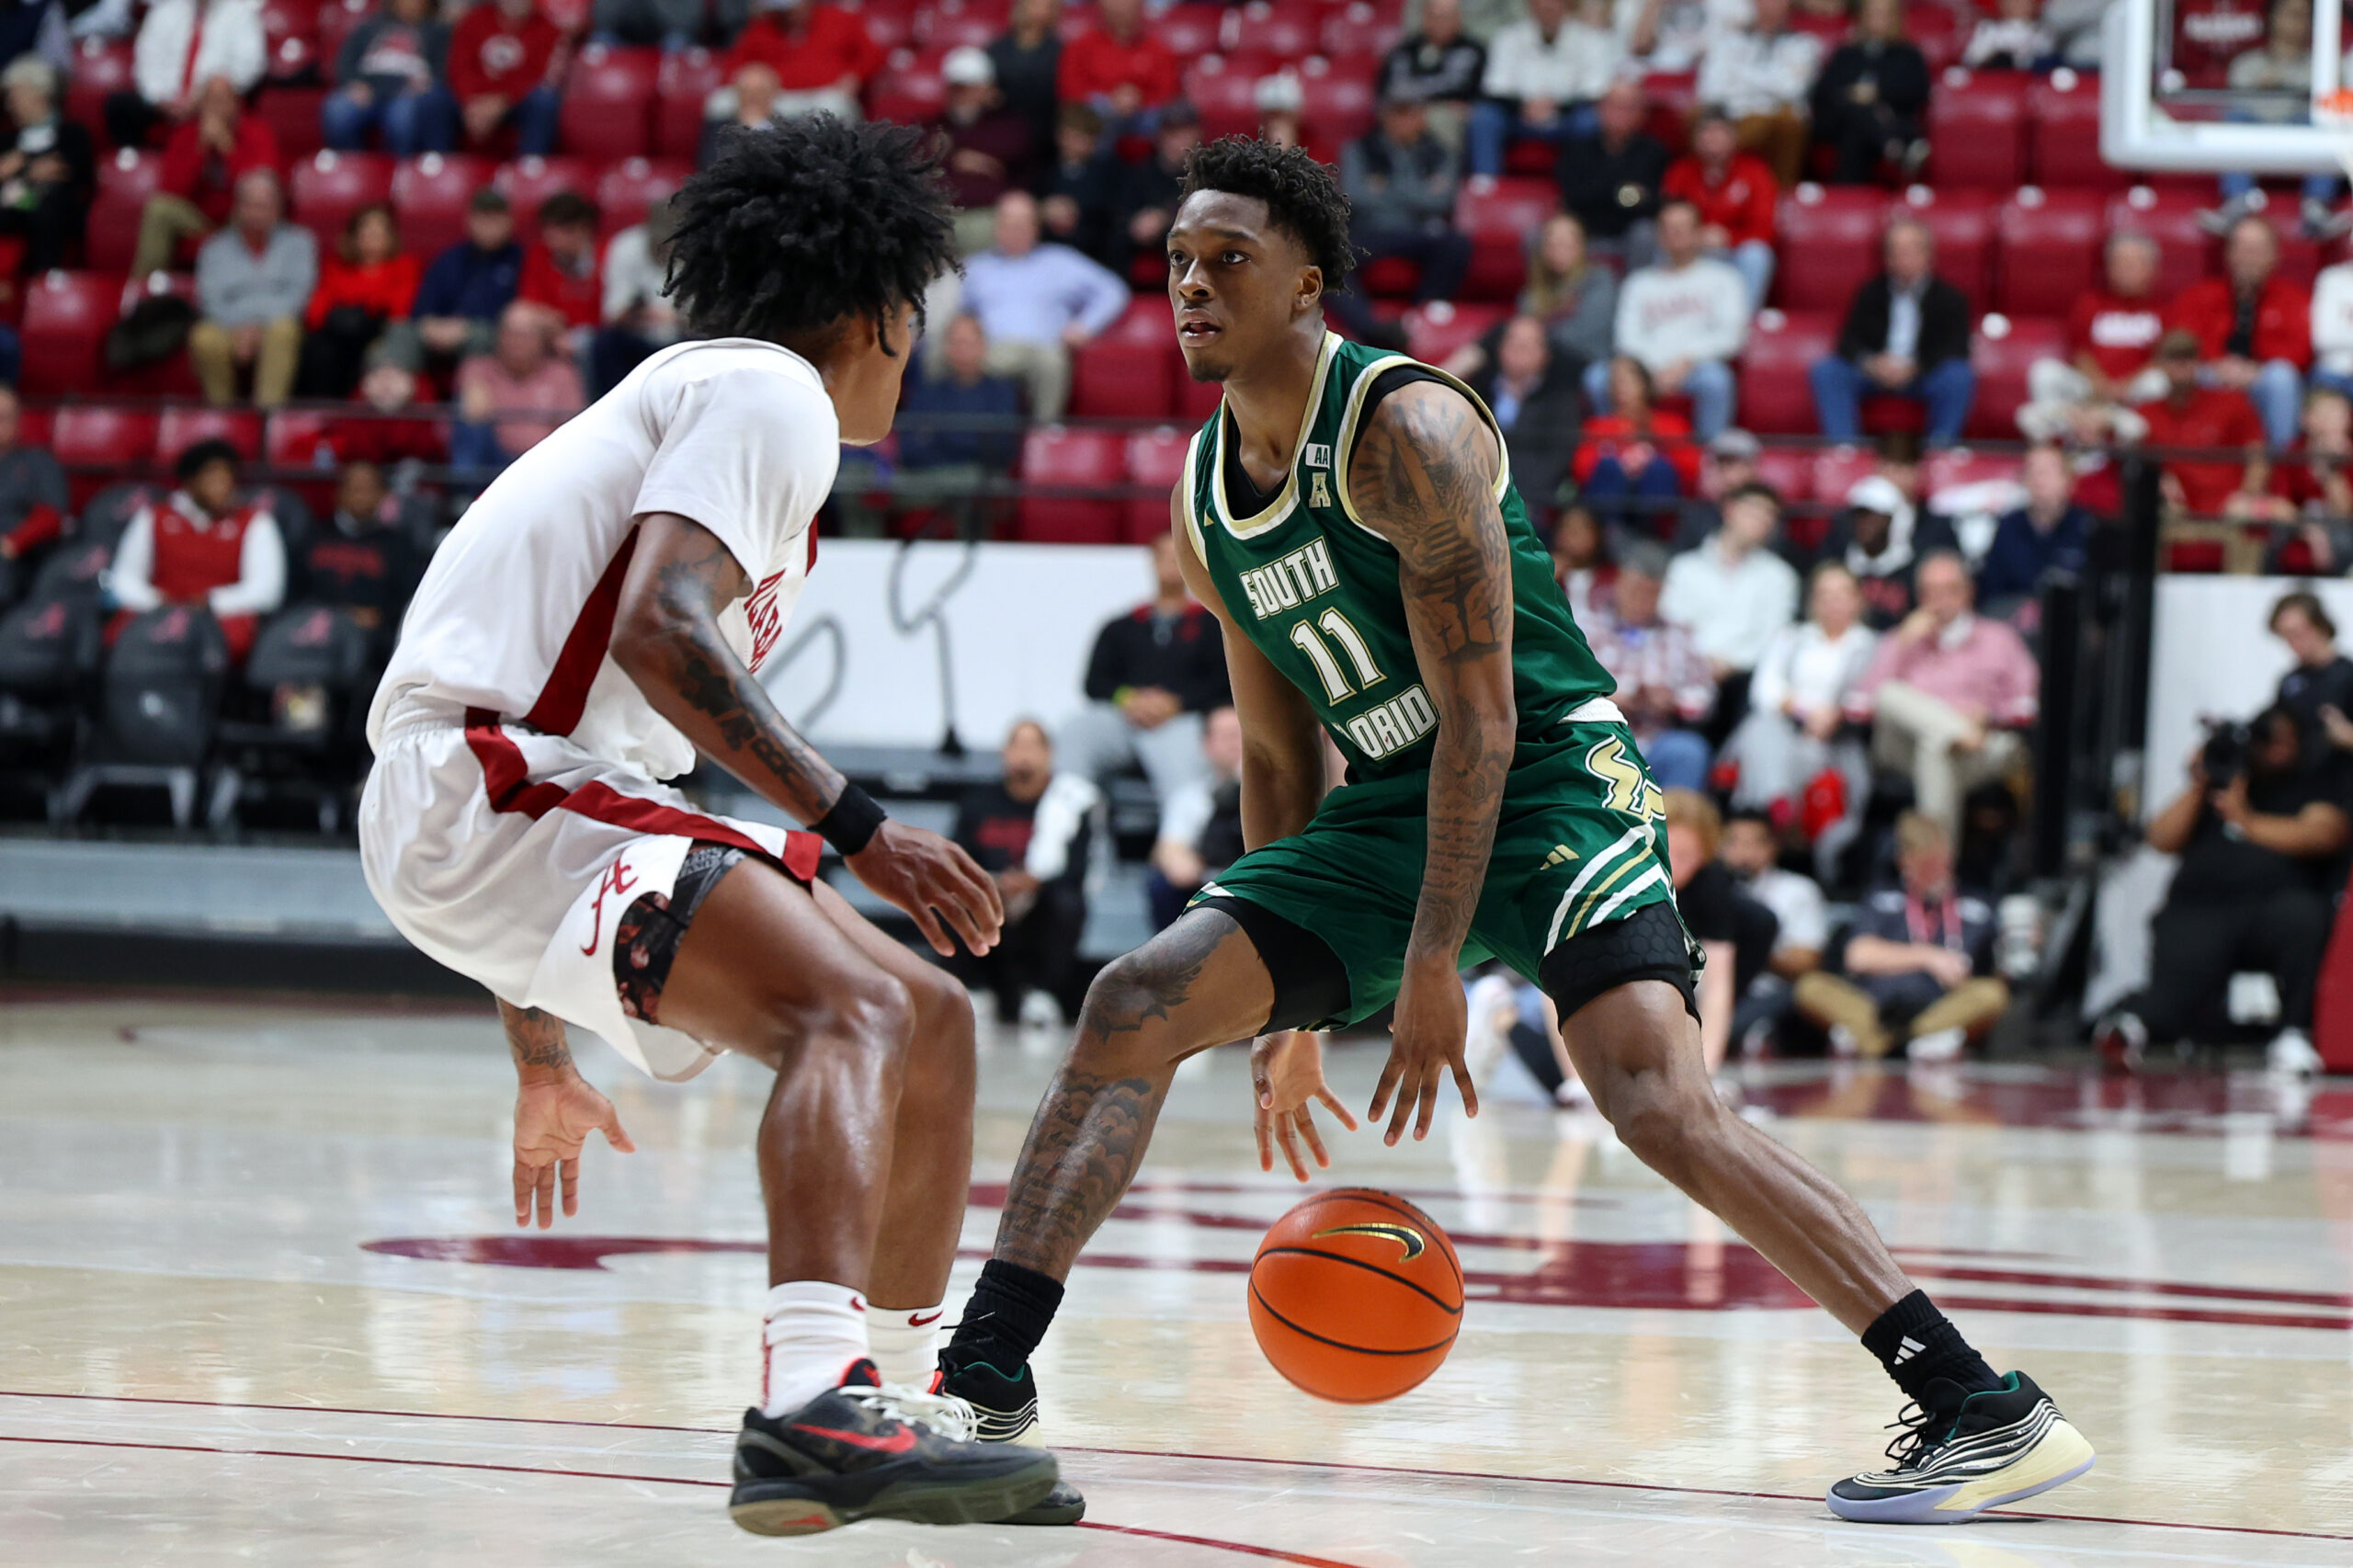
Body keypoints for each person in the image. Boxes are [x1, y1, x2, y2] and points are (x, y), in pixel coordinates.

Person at [933, 137, 2092, 1530]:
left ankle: (1977, 1402)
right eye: (1178, 262)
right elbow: (1283, 755)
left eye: (1227, 260)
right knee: (1135, 998)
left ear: (1309, 285)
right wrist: (1279, 1010)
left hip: (1544, 775)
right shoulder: (1201, 486)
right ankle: (982, 1380)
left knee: (1655, 1095)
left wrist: (1435, 964)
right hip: (1381, 804)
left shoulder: (1403, 433)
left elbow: (1483, 722)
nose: (1191, 285)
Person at [356, 117, 1064, 1534]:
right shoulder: (768, 392)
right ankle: (812, 1399)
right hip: (490, 778)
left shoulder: (697, 401)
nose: (914, 353)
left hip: (502, 801)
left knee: (929, 1015)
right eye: (914, 324)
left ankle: (899, 1400)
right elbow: (660, 631)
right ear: (878, 310)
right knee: (855, 1008)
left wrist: (542, 1047)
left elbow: (595, 764)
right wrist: (864, 829)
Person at [2095, 705, 2342, 1078]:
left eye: (2286, 742)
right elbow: (2160, 838)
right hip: (2201, 909)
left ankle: (2293, 1032)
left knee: (2304, 918)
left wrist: (2246, 820)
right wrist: (2200, 782)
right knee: (2176, 985)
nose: (2277, 751)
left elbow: (2324, 834)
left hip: (2272, 909)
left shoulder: (2311, 783)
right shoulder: (2223, 783)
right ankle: (2134, 1026)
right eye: (2267, 742)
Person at [1849, 550, 2040, 842]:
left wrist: (1989, 715)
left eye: (1950, 590)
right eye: (1930, 591)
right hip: (1903, 747)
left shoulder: (1999, 638)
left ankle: (1935, 872)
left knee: (1936, 748)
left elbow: (2027, 702)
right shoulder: (1901, 638)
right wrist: (1902, 643)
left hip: (1980, 744)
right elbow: (1861, 703)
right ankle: (1953, 731)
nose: (1939, 600)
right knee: (1889, 693)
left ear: (1969, 592)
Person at [1055, 529, 1230, 842]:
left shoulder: (1211, 625)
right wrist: (1128, 699)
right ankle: (1069, 833)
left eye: (1178, 555)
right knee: (1076, 730)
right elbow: (1094, 682)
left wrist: (1177, 704)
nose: (1170, 563)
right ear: (1151, 562)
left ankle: (1178, 849)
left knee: (1189, 769)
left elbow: (1222, 684)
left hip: (1180, 724)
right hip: (1124, 721)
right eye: (1162, 555)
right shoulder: (1121, 626)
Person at [1795, 812, 2008, 1062]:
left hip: (1940, 1006)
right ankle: (1895, 1041)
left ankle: (1889, 1041)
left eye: (1937, 862)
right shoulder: (1882, 897)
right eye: (1922, 864)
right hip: (1875, 1006)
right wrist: (1928, 957)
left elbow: (1994, 972)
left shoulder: (1977, 905)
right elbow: (1858, 956)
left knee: (1992, 994)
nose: (1933, 872)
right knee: (1810, 986)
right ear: (1903, 862)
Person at [949, 719, 1097, 1028]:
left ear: (1049, 754)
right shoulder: (977, 803)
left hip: (1042, 903)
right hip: (990, 895)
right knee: (951, 896)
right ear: (1005, 752)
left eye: (1033, 745)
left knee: (1068, 903)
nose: (1024, 754)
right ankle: (974, 988)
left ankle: (1043, 994)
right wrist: (996, 882)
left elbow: (1078, 869)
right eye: (1017, 744)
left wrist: (1033, 882)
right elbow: (957, 859)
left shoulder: (1070, 803)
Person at [1722, 561, 1876, 835]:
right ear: (1812, 601)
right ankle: (1777, 802)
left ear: (1857, 600)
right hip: (1786, 727)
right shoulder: (1791, 637)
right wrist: (1803, 709)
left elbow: (1871, 696)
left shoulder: (1872, 645)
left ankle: (1770, 816)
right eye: (1824, 594)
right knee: (1761, 727)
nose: (1832, 602)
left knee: (1780, 752)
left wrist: (1835, 715)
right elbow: (1765, 690)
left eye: (1841, 594)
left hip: (1836, 738)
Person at [105, 437, 286, 665]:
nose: (223, 485)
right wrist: (156, 602)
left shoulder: (256, 522)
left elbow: (267, 591)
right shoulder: (154, 517)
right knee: (117, 634)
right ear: (190, 481)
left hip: (221, 617)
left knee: (230, 641)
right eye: (213, 477)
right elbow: (123, 580)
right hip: (156, 612)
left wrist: (209, 602)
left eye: (228, 477)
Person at [954, 189, 1128, 421]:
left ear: (1036, 228)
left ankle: (1044, 438)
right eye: (1008, 223)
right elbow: (958, 312)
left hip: (1044, 348)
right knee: (958, 357)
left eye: (1022, 224)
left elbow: (1113, 289)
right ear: (996, 228)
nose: (1014, 231)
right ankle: (982, 439)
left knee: (1051, 362)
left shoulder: (1060, 261)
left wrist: (1085, 326)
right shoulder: (975, 268)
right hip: (992, 351)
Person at [1586, 199, 1748, 441]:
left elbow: (1731, 336)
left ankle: (1708, 458)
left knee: (1717, 381)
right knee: (1596, 377)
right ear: (1659, 235)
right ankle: (1613, 446)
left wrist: (1685, 362)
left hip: (1695, 367)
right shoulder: (1639, 282)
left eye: (1682, 228)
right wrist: (1650, 371)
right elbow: (1626, 338)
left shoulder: (1724, 277)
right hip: (1644, 368)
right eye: (1668, 228)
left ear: (1698, 233)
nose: (1675, 235)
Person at [1811, 217, 1977, 447]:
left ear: (1928, 254)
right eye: (1895, 251)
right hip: (1876, 372)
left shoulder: (1951, 298)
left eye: (1910, 250)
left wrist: (1915, 367)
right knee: (1828, 371)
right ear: (1886, 257)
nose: (1902, 258)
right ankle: (1844, 450)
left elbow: (1956, 348)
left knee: (1958, 376)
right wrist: (1871, 363)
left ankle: (1940, 452)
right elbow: (1847, 341)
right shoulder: (1870, 292)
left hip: (1922, 373)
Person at [1583, 540, 1717, 790]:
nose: (1641, 599)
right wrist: (1608, 698)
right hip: (1597, 733)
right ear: (1619, 582)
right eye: (1635, 589)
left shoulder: (1679, 635)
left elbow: (1704, 697)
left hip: (1657, 739)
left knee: (1690, 751)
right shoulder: (1587, 627)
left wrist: (1673, 700)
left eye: (1650, 592)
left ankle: (1671, 827)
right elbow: (1568, 686)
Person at [2205, 0, 2345, 241]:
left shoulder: (2326, 68)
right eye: (2289, 14)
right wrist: (2268, 91)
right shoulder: (2247, 65)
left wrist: (2294, 93)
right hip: (2256, 136)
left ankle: (2316, 205)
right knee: (2234, 121)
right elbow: (2238, 110)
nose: (2296, 22)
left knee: (2332, 124)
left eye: (2302, 15)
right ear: (2272, 18)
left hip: (2304, 136)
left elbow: (2339, 107)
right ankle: (2238, 200)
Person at [1662, 787, 1779, 1073]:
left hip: (1687, 966)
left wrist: (1705, 1070)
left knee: (1760, 921)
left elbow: (1718, 983)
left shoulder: (1712, 880)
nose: (1675, 867)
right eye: (1667, 853)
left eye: (1687, 856)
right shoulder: (1624, 874)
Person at [2168, 213, 2310, 447]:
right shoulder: (2199, 295)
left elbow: (2300, 350)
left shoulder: (2294, 298)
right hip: (2211, 372)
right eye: (2243, 248)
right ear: (2228, 253)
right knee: (2178, 374)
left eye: (2258, 249)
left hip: (2262, 374)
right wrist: (2218, 364)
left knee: (2282, 378)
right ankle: (2189, 467)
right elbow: (2182, 342)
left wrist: (2252, 370)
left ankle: (2280, 470)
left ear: (2275, 255)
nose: (2249, 257)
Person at [875, 311, 1021, 535]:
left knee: (974, 485)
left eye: (968, 341)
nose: (961, 348)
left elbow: (1001, 447)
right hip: (928, 479)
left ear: (983, 345)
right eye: (955, 341)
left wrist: (940, 438)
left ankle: (975, 555)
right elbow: (910, 449)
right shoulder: (927, 392)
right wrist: (967, 440)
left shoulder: (1002, 392)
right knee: (863, 481)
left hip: (979, 478)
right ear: (945, 347)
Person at [2018, 231, 2165, 445]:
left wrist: (2124, 386)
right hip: (2088, 389)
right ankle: (2067, 435)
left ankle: (2122, 431)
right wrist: (2100, 384)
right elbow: (2080, 352)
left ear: (2153, 269)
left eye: (2135, 263)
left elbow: (2162, 359)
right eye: (2120, 263)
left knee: (2158, 381)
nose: (2126, 270)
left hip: (2131, 396)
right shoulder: (2090, 303)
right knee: (2044, 371)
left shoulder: (2165, 310)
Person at [129, 73, 278, 278]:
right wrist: (201, 149)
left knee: (253, 208)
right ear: (201, 104)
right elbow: (173, 189)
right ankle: (143, 292)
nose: (217, 107)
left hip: (237, 214)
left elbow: (262, 186)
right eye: (211, 100)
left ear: (236, 103)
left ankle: (244, 285)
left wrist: (227, 147)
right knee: (158, 209)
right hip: (197, 214)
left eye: (223, 100)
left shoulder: (256, 132)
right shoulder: (185, 134)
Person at [188, 167, 315, 408]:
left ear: (278, 208)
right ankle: (223, 414)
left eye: (264, 205)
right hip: (228, 325)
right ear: (237, 207)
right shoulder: (214, 248)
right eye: (251, 205)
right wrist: (241, 327)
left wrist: (257, 325)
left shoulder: (300, 243)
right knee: (203, 337)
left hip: (277, 323)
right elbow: (209, 300)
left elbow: (300, 295)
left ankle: (266, 415)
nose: (257, 213)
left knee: (284, 330)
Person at [1340, 92, 1472, 318]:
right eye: (1397, 113)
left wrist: (1386, 188)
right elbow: (1354, 195)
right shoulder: (1359, 148)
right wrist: (1420, 191)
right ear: (1384, 116)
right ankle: (1369, 325)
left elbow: (1442, 201)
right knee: (1330, 257)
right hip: (1371, 229)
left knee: (1456, 245)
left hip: (1418, 230)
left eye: (1410, 113)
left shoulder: (1440, 152)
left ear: (1422, 116)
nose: (1403, 121)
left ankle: (1422, 315)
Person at [1445, 210, 1615, 381]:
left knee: (1501, 335)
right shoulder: (1535, 289)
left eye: (1566, 244)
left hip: (1583, 357)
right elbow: (1524, 324)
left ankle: (1444, 376)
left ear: (1581, 246)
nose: (1558, 251)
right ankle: (1446, 380)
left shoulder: (1598, 278)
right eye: (1552, 244)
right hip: (1540, 359)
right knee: (1499, 356)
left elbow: (1584, 333)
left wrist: (1534, 340)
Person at [1660, 481, 1801, 687]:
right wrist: (1701, 662)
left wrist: (1731, 664)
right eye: (1754, 509)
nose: (1762, 519)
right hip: (1684, 673)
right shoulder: (1685, 568)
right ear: (1729, 509)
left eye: (1769, 514)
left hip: (1747, 680)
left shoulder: (1780, 576)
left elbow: (1774, 637)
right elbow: (1672, 623)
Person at [1468, 0, 1621, 177]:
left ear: (1567, 5)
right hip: (1518, 116)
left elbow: (1595, 89)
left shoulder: (1591, 39)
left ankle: (1580, 189)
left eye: (1554, 4)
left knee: (1589, 121)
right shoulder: (1508, 36)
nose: (1548, 8)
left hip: (1567, 117)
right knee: (1484, 117)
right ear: (1531, 6)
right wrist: (1525, 106)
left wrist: (1556, 107)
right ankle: (1486, 186)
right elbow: (1495, 86)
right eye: (1541, 4)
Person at [1718, 805, 1828, 1051]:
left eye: (1754, 843)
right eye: (1733, 843)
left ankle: (1748, 1032)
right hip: (1713, 987)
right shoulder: (1707, 890)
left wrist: (1750, 947)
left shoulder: (1798, 890)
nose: (1743, 852)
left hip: (1768, 990)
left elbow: (1806, 963)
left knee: (1797, 993)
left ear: (1772, 847)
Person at [2134, 327, 2269, 517]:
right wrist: (2158, 481)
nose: (2181, 363)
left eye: (2188, 356)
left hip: (2229, 511)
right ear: (2158, 363)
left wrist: (2247, 495)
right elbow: (2135, 466)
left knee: (2256, 512)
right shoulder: (2146, 414)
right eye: (2174, 357)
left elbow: (2257, 455)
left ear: (2199, 360)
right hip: (2174, 513)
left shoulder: (2231, 403)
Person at [297, 201, 419, 400]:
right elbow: (315, 313)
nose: (373, 234)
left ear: (391, 236)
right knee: (318, 349)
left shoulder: (405, 266)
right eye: (366, 228)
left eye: (380, 229)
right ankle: (321, 413)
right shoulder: (336, 268)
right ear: (353, 236)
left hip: (380, 335)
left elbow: (400, 311)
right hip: (338, 341)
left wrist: (364, 309)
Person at [1661, 108, 1779, 311]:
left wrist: (1729, 238)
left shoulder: (1755, 171)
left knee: (1757, 255)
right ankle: (1668, 314)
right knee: (1660, 244)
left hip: (1735, 250)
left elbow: (1765, 227)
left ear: (1734, 137)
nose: (1712, 138)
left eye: (1720, 131)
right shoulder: (1680, 171)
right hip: (1691, 247)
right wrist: (1696, 236)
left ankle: (1741, 324)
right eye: (1706, 131)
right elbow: (1667, 218)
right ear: (1694, 138)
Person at [107, 0, 264, 150]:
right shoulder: (165, 10)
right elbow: (147, 63)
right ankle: (134, 168)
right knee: (119, 106)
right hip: (164, 103)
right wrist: (163, 100)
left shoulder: (240, 14)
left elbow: (248, 68)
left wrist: (198, 99)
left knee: (222, 106)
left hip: (210, 101)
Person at [1696, 0, 1821, 188]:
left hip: (1775, 119)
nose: (1769, 5)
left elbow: (1792, 89)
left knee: (1790, 122)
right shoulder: (1728, 40)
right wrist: (1773, 80)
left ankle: (1782, 193)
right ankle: (1705, 190)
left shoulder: (1804, 44)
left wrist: (1738, 74)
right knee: (1697, 117)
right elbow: (1711, 88)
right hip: (1731, 117)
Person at [1461, 312, 1581, 507]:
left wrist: (1513, 498)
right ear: (1499, 349)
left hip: (1531, 504)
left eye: (1529, 343)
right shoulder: (1475, 394)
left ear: (1545, 355)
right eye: (1513, 340)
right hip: (1474, 501)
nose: (1520, 348)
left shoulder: (1560, 401)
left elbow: (1557, 459)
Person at [449, 301, 585, 474]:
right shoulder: (478, 368)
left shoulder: (562, 374)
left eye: (525, 335)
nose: (516, 342)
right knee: (469, 425)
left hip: (543, 465)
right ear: (498, 336)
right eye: (510, 333)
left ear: (541, 340)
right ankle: (464, 496)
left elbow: (573, 432)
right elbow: (473, 413)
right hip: (493, 462)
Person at [300, 457, 425, 641]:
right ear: (339, 493)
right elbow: (295, 591)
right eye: (353, 488)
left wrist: (381, 615)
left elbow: (408, 601)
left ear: (382, 494)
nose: (360, 495)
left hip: (373, 639)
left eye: (367, 488)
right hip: (315, 631)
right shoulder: (313, 536)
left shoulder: (399, 544)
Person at [398, 187, 523, 369]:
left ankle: (472, 395)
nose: (487, 226)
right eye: (482, 218)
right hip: (440, 331)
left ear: (510, 222)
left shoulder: (519, 260)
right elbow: (423, 306)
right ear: (468, 221)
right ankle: (390, 392)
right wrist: (431, 325)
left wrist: (465, 328)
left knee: (482, 338)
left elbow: (517, 315)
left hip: (489, 334)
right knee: (401, 333)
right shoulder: (449, 258)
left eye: (494, 219)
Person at [1809, 0, 1930, 186]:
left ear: (1894, 18)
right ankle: (1893, 146)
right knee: (1855, 109)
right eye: (1873, 14)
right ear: (1862, 18)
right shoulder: (1846, 54)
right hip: (1841, 123)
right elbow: (1823, 92)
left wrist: (1877, 94)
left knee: (1856, 135)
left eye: (1883, 14)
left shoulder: (1908, 54)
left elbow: (1918, 91)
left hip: (1880, 122)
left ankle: (1846, 199)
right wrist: (1853, 95)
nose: (1878, 20)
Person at [1146, 703, 1245, 928]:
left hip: (1256, 881)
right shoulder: (1189, 797)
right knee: (1160, 884)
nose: (1234, 743)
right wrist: (1178, 860)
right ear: (1207, 744)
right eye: (1226, 735)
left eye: (1241, 734)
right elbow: (1170, 846)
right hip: (1206, 884)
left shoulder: (1274, 792)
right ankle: (1171, 958)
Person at [1554, 79, 1666, 269]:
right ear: (1599, 109)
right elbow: (1574, 197)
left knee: (1645, 233)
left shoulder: (1654, 152)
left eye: (1629, 107)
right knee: (1542, 235)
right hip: (1585, 230)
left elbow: (1650, 203)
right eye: (1614, 106)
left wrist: (1605, 190)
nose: (1620, 113)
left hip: (1628, 233)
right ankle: (1552, 296)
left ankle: (1637, 293)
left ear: (1641, 114)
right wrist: (1623, 192)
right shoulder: (1578, 149)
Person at [932, 45, 1036, 247]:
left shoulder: (1008, 127)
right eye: (956, 87)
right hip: (940, 212)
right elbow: (920, 159)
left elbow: (1016, 159)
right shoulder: (933, 125)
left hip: (986, 213)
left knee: (991, 227)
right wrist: (955, 158)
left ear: (988, 88)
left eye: (969, 87)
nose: (961, 94)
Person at [321, 0, 451, 156]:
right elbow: (345, 62)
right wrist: (353, 84)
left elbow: (445, 68)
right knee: (338, 109)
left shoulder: (438, 32)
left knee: (402, 116)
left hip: (407, 93)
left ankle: (398, 172)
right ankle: (354, 170)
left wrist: (429, 82)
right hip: (367, 90)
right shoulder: (369, 27)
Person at [0, 54, 90, 274]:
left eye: (15, 95)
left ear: (40, 94)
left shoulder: (72, 135)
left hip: (52, 212)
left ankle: (44, 280)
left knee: (47, 202)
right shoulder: (6, 141)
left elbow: (58, 171)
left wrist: (18, 171)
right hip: (9, 210)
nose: (9, 104)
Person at [1975, 445, 2091, 615]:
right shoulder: (2008, 526)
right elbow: (1991, 589)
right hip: (2015, 621)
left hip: (2072, 620)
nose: (2038, 480)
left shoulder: (2087, 526)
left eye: (2046, 472)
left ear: (2068, 480)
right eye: (2032, 472)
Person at [723, 0, 882, 123]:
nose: (788, 12)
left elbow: (873, 55)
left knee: (832, 106)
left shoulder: (840, 19)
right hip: (778, 99)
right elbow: (734, 68)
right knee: (720, 103)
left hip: (825, 96)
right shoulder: (762, 28)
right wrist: (754, 79)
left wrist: (855, 76)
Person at [1572, 354, 1699, 506]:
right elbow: (1580, 471)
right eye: (1615, 381)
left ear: (1644, 383)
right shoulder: (1597, 427)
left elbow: (1691, 469)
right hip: (1610, 507)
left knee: (1659, 469)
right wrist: (1623, 464)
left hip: (1659, 507)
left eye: (1627, 380)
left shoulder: (1672, 425)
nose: (1621, 386)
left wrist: (1649, 459)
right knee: (1609, 467)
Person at [444, 0, 563, 157]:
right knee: (433, 101)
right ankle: (439, 169)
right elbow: (459, 66)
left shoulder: (548, 28)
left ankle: (529, 170)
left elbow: (537, 75)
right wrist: (471, 99)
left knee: (544, 102)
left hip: (515, 100)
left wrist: (501, 101)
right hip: (473, 98)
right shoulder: (474, 19)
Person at [592, 198, 680, 397]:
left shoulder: (701, 249)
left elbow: (711, 319)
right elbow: (612, 315)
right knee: (603, 343)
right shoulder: (626, 246)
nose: (665, 246)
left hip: (683, 340)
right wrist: (637, 313)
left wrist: (675, 319)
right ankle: (612, 408)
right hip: (637, 337)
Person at [1055, 0, 1177, 140]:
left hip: (1143, 120)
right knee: (1084, 119)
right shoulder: (1080, 47)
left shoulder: (1159, 50)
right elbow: (1071, 92)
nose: (1120, 6)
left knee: (1165, 120)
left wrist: (1138, 100)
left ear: (1140, 5)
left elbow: (1167, 93)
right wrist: (1109, 102)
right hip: (1097, 124)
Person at [1108, 99, 1199, 278]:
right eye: (1170, 134)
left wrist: (1164, 219)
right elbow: (1120, 214)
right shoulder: (1142, 173)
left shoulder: (1207, 174)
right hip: (1141, 246)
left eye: (1183, 134)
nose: (1176, 142)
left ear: (1197, 134)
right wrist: (1134, 225)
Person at [2268, 589, 2353, 771]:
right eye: (2286, 636)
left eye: (2297, 632)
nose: (2293, 642)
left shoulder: (2347, 675)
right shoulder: (2290, 682)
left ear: (2320, 626)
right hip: (2298, 782)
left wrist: (2347, 735)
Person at [1377, 0, 1485, 143]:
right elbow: (1389, 88)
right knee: (1396, 119)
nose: (1440, 23)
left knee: (1442, 118)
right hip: (1407, 110)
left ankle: (1445, 166)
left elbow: (1470, 91)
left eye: (1446, 17)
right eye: (1434, 16)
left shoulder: (1473, 50)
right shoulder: (1405, 50)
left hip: (1448, 114)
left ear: (1458, 19)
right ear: (1424, 19)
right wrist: (1416, 108)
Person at [0, 383, 71, 580]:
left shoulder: (38, 461)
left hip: (19, 558)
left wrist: (13, 542)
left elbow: (52, 516)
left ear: (17, 421)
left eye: (3, 418)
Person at [517, 189, 603, 350]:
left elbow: (610, 313)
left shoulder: (606, 256)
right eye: (547, 229)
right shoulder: (539, 255)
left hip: (598, 339)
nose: (551, 238)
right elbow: (530, 305)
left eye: (560, 230)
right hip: (551, 338)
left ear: (582, 229)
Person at [1038, 101, 1120, 267]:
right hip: (1048, 249)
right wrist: (1046, 209)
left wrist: (1075, 211)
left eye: (1082, 138)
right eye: (1070, 137)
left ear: (1094, 141)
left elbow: (1111, 213)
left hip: (1092, 250)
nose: (1074, 144)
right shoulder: (1044, 171)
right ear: (1059, 136)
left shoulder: (1110, 171)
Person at [986, 0, 1063, 153]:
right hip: (1003, 129)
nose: (1041, 9)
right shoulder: (996, 50)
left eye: (1047, 5)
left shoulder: (1061, 51)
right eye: (1035, 3)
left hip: (1045, 134)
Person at [1549, 499, 1613, 619]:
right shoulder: (1545, 573)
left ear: (1597, 534)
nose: (1572, 535)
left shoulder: (1612, 578)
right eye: (1567, 528)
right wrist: (1545, 580)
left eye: (1581, 528)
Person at [1962, 0, 2056, 71]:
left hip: (2031, 80)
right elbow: (1972, 59)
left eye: (2022, 2)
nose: (2017, 6)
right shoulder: (1989, 29)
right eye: (2011, 2)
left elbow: (2048, 55)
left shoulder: (2043, 31)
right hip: (1997, 80)